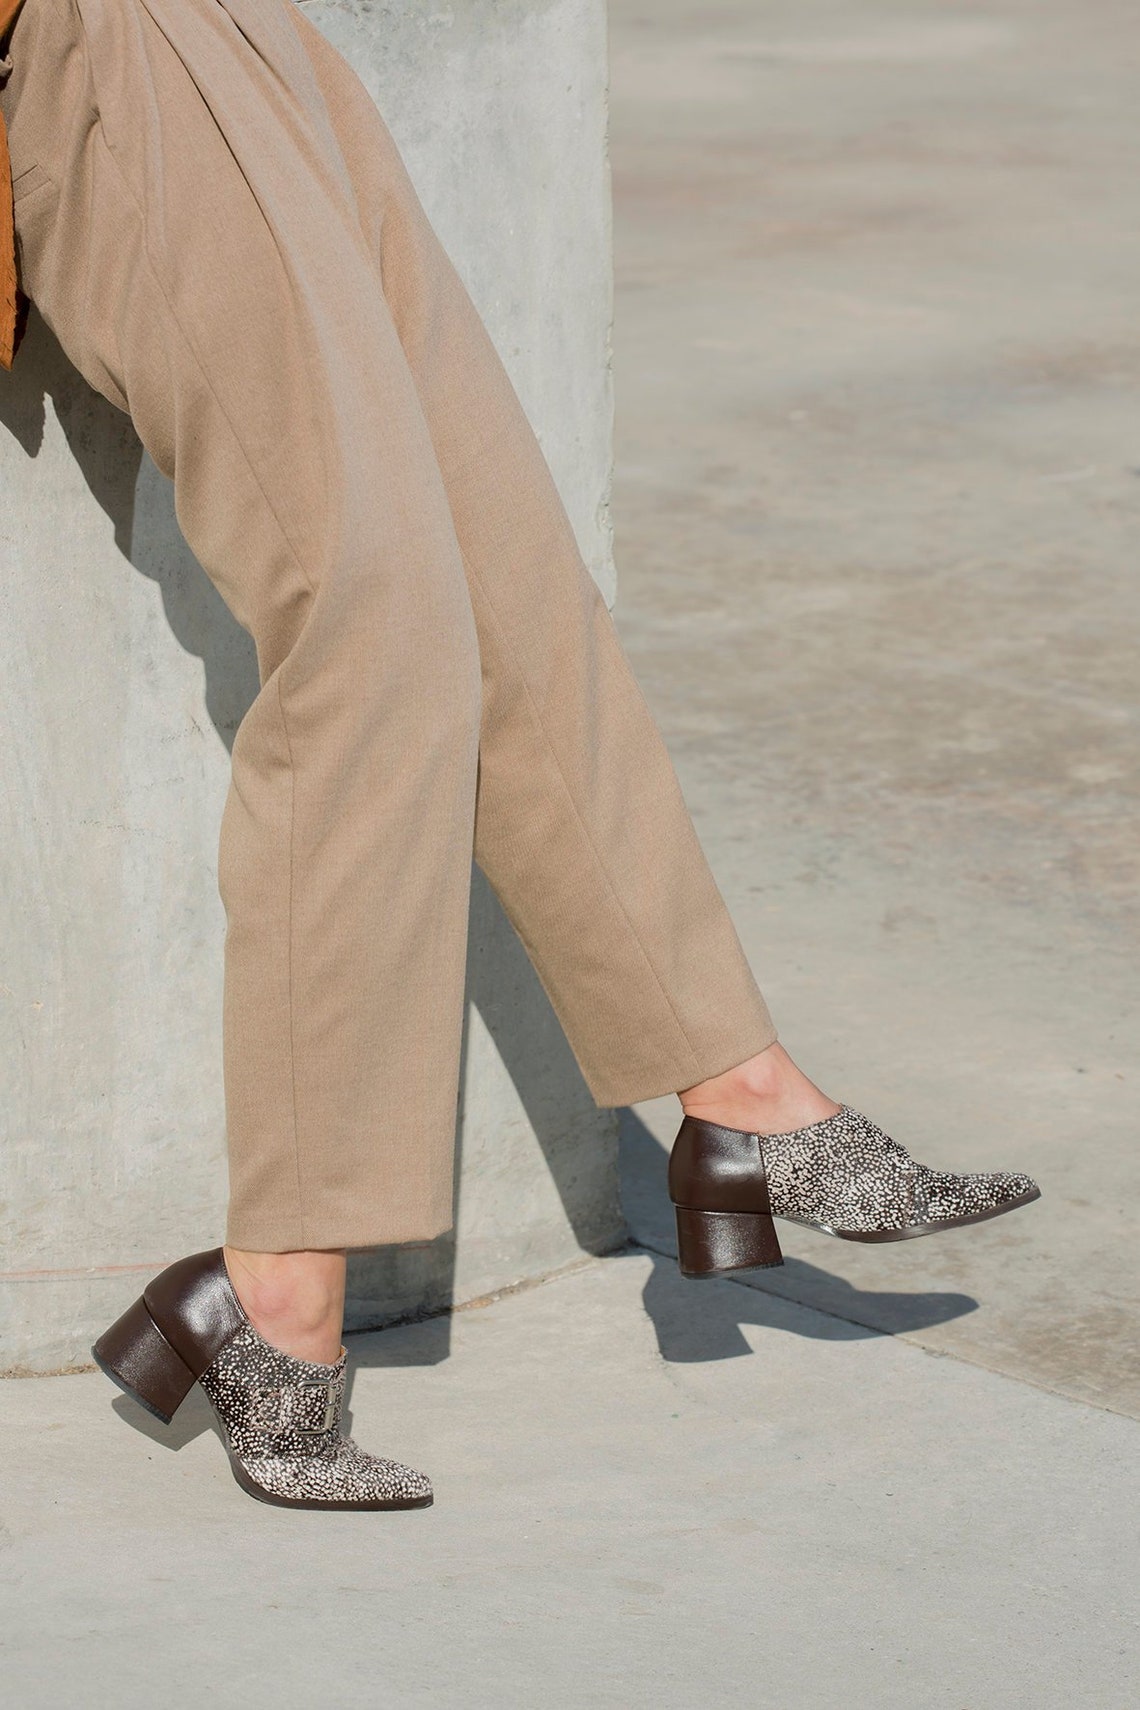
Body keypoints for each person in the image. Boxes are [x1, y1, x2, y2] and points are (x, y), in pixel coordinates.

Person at [0, 0, 1039, 1513]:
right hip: (112, 54)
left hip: (252, 38)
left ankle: (739, 1089)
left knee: (513, 587)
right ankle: (274, 1288)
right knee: (373, 626)